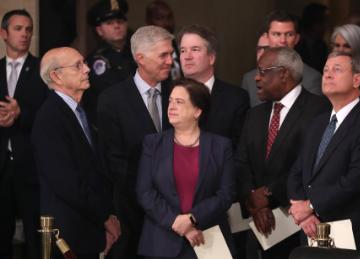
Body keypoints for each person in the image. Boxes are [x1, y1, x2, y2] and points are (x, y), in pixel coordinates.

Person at [287, 51, 360, 252]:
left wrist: (311, 206)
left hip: (348, 231)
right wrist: (303, 212)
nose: (328, 75)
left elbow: (357, 178)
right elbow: (297, 171)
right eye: (325, 70)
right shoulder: (317, 123)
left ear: (357, 79)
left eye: (337, 70)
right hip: (310, 230)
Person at [235, 47, 329, 259]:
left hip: (298, 226)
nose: (256, 78)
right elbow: (241, 163)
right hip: (258, 228)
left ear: (284, 74)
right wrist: (254, 200)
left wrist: (268, 194)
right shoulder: (255, 114)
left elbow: (311, 165)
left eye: (262, 71)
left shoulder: (319, 110)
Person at [32, 47, 120, 259]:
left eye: (85, 63)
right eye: (78, 65)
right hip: (69, 232)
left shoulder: (80, 111)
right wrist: (105, 218)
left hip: (88, 228)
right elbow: (68, 183)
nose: (88, 69)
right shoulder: (49, 118)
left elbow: (95, 169)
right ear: (56, 76)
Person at [97, 25, 174, 259]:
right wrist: (149, 197)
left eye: (171, 54)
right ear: (140, 58)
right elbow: (113, 159)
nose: (170, 61)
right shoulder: (112, 100)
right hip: (131, 213)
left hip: (176, 211)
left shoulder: (179, 93)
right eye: (164, 55)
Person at [136, 79, 235, 259]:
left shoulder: (221, 146)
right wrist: (175, 222)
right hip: (161, 243)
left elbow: (226, 194)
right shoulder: (152, 143)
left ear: (197, 111)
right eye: (170, 101)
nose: (171, 107)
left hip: (207, 241)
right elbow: (145, 192)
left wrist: (192, 218)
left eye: (179, 102)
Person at [0, 9, 48, 259]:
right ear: (3, 33)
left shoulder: (42, 69)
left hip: (30, 166)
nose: (25, 34)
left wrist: (22, 113)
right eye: (18, 28)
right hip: (1, 168)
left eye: (28, 29)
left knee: (35, 236)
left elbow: (49, 115)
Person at [177, 24, 249, 150]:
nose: (187, 57)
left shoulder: (236, 98)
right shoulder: (168, 95)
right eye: (183, 50)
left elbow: (239, 151)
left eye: (195, 49)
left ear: (211, 58)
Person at [242, 10, 322, 107]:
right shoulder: (249, 79)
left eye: (289, 34)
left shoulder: (312, 78)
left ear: (297, 39)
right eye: (277, 34)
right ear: (267, 37)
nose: (283, 41)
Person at [83, 0, 137, 124]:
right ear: (99, 30)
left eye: (120, 21)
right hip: (109, 124)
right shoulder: (96, 60)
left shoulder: (136, 53)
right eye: (109, 23)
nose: (116, 26)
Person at [145, 0, 181, 80]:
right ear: (148, 22)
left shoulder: (180, 46)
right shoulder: (144, 52)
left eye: (169, 17)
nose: (166, 23)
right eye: (159, 18)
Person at [241, 33, 270, 107]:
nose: (261, 54)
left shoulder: (291, 77)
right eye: (259, 49)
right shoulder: (248, 78)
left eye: (267, 49)